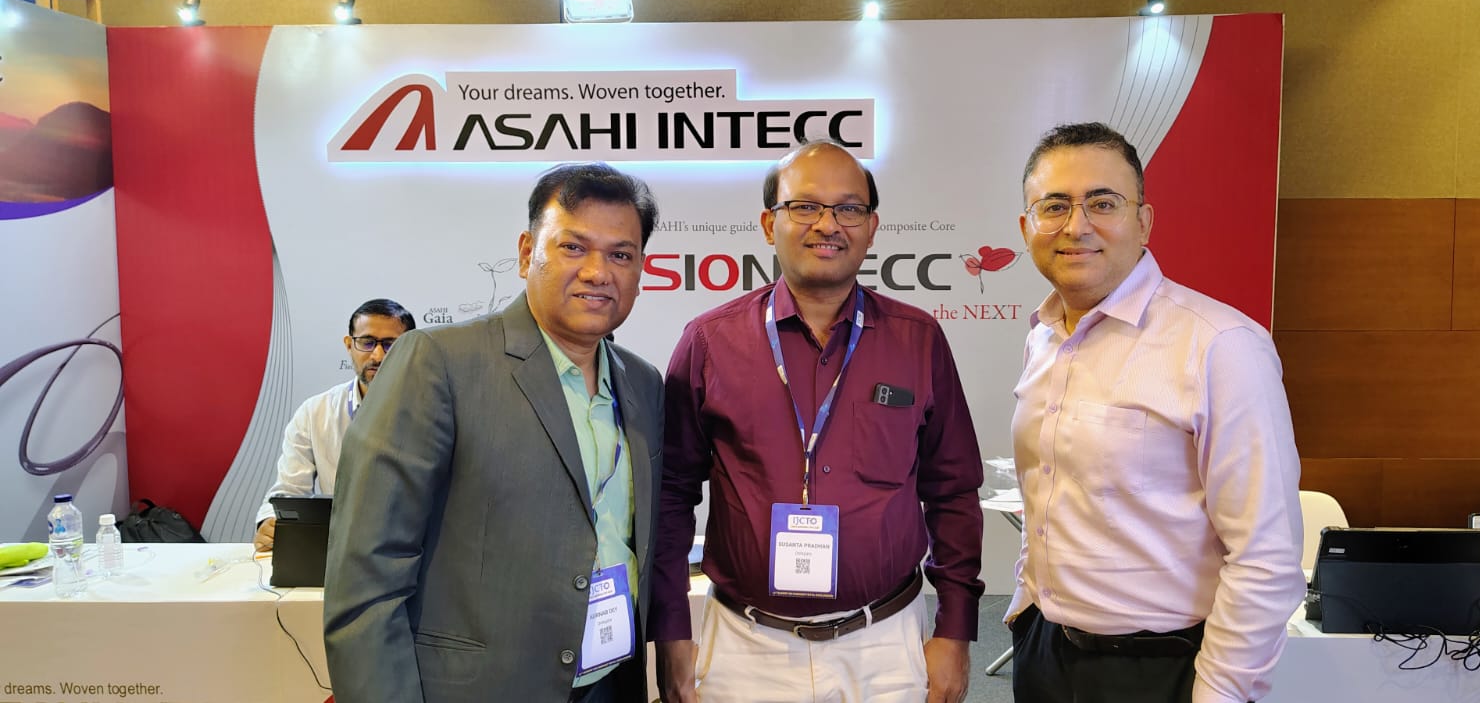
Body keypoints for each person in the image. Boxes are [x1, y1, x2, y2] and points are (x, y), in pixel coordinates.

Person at [649, 140, 985, 703]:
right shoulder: (709, 342)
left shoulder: (918, 340)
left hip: (886, 645)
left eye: (848, 209)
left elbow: (952, 490)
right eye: (804, 206)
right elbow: (671, 496)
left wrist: (955, 630)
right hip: (746, 647)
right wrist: (671, 631)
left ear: (871, 228)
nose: (827, 224)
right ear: (769, 224)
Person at [323, 163, 665, 703]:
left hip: (610, 683)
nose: (598, 272)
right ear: (528, 253)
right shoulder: (437, 362)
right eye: (573, 247)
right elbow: (367, 576)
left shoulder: (643, 384)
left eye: (621, 255)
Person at [1006, 122, 1304, 703]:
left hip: (1159, 669)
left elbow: (1265, 555)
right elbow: (1049, 490)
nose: (1076, 226)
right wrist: (1025, 611)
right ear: (1026, 227)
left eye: (1103, 203)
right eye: (1054, 206)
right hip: (1044, 653)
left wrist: (1219, 693)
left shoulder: (1220, 345)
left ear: (1143, 222)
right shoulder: (1044, 338)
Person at [253, 298, 414, 552]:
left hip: (419, 549)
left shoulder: (439, 409)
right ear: (349, 345)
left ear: (412, 348)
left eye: (390, 344)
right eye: (367, 342)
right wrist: (271, 523)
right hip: (339, 550)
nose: (378, 355)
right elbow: (289, 492)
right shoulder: (315, 413)